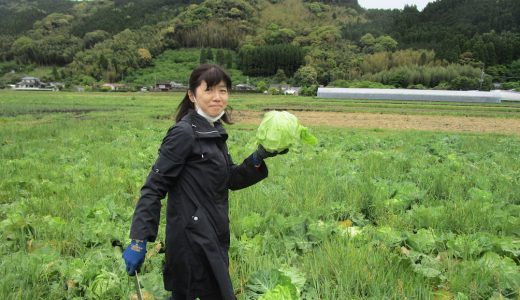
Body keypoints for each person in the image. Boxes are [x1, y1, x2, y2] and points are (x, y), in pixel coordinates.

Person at [122, 64, 287, 300]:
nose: (217, 97)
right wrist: (139, 240)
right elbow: (154, 187)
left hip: (213, 234)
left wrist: (258, 157)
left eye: (223, 90)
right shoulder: (184, 133)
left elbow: (230, 178)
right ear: (192, 95)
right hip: (191, 241)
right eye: (209, 90)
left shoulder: (214, 131)